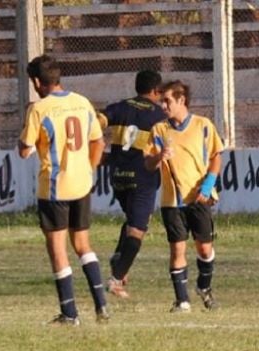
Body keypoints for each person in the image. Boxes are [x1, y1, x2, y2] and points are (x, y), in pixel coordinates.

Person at [17, 54, 110, 325]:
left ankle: (70, 313)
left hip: (55, 188)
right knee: (83, 244)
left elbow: (24, 151)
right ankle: (101, 304)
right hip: (82, 184)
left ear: (36, 81)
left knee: (58, 248)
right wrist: (89, 169)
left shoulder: (39, 109)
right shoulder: (82, 102)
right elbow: (98, 143)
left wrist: (28, 136)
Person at [144, 80, 223, 312]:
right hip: (172, 202)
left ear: (181, 100)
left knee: (204, 249)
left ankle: (204, 287)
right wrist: (159, 157)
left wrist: (208, 184)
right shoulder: (159, 130)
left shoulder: (203, 125)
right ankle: (182, 300)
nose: (163, 106)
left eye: (167, 101)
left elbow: (216, 156)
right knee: (177, 249)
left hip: (199, 197)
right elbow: (147, 163)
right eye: (161, 102)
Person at [98, 70, 167, 299]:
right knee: (137, 230)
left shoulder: (119, 107)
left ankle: (120, 258)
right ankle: (116, 279)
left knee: (133, 221)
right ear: (156, 91)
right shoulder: (159, 114)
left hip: (118, 176)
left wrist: (99, 151)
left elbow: (96, 122)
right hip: (142, 178)